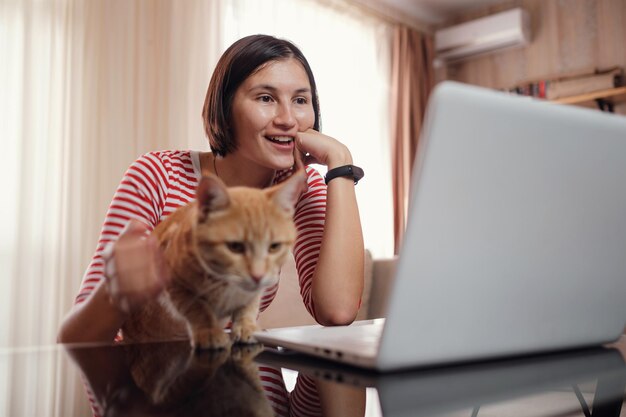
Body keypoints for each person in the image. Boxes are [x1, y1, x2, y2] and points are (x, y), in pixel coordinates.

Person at [57, 34, 365, 416]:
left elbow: (338, 312)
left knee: (339, 344)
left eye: (301, 100)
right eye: (266, 98)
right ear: (225, 106)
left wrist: (341, 166)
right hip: (162, 387)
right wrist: (121, 288)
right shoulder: (159, 174)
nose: (288, 118)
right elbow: (83, 333)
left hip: (254, 384)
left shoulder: (298, 188)